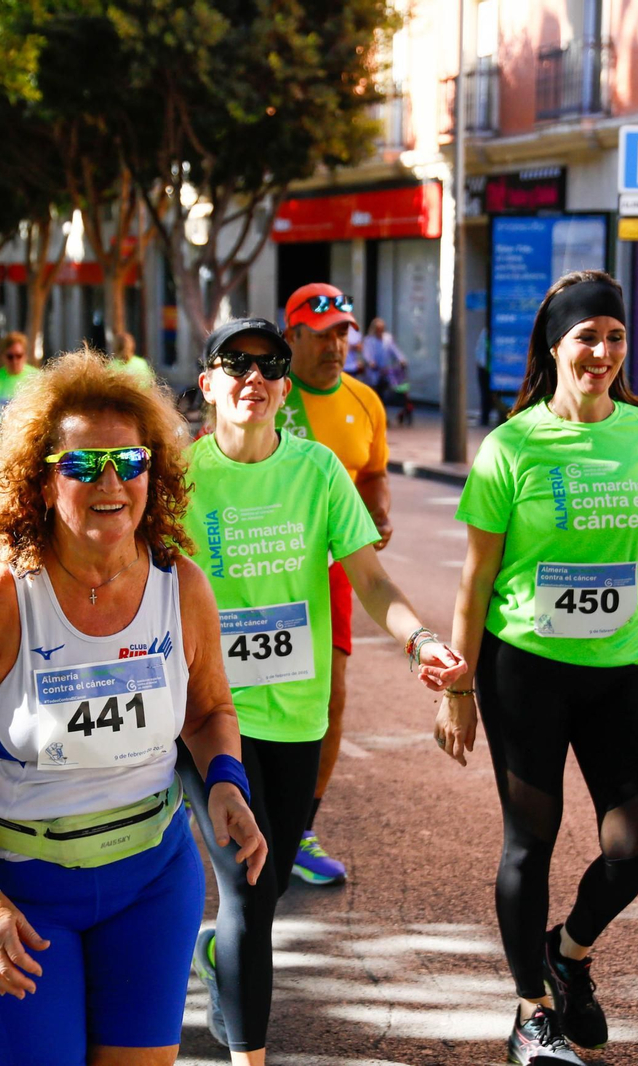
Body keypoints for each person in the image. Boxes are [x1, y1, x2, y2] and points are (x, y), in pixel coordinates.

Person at [0, 348, 267, 1065]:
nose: (110, 483)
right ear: (39, 483)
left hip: (152, 886)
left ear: (152, 475)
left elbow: (209, 709)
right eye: (82, 466)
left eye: (129, 463)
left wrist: (225, 781)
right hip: (22, 897)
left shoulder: (180, 585)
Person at [184, 317, 464, 1063]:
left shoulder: (317, 472)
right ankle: (251, 1055)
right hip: (207, 716)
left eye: (268, 364)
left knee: (267, 883)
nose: (253, 377)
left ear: (284, 386)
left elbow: (370, 579)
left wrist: (420, 640)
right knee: (247, 890)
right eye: (233, 364)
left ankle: (218, 960)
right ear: (207, 383)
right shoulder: (179, 479)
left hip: (295, 711)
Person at [437, 269, 638, 1066]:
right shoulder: (511, 446)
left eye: (615, 337)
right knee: (529, 844)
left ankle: (570, 950)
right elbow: (475, 578)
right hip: (526, 673)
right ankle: (531, 1010)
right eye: (588, 337)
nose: (603, 352)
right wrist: (460, 687)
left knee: (636, 847)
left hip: (617, 670)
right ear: (555, 347)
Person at [276, 283, 392, 886]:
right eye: (321, 334)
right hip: (256, 571)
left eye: (342, 332)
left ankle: (298, 830)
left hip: (330, 573)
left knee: (331, 698)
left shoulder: (365, 401)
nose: (335, 344)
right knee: (234, 696)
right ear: (291, 335)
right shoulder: (266, 394)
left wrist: (380, 512)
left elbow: (372, 475)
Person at [0, 332, 39, 444]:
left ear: (25, 356)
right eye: (10, 356)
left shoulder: (36, 377)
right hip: (0, 444)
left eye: (19, 356)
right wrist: (0, 429)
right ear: (3, 356)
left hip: (28, 444)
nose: (15, 361)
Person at [360, 317, 406, 404]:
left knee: (385, 392)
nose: (380, 331)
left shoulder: (387, 339)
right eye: (378, 329)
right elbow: (367, 353)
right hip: (373, 371)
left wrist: (401, 359)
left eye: (382, 329)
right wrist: (371, 362)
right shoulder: (369, 340)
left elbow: (394, 350)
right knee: (373, 391)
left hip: (384, 370)